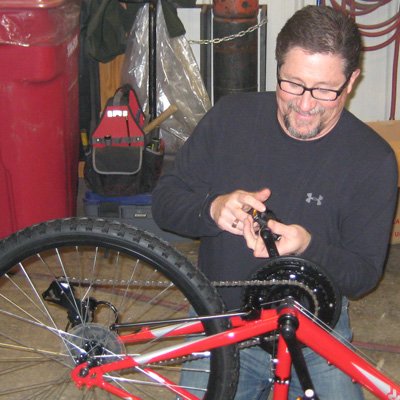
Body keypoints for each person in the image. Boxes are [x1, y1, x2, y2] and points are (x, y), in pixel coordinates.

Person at [152, 5, 398, 400]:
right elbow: (164, 203)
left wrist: (308, 247)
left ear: (351, 81)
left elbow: (363, 275)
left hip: (317, 333)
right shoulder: (229, 119)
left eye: (324, 90)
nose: (304, 104)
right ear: (277, 69)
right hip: (223, 324)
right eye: (293, 84)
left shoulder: (373, 161)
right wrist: (213, 209)